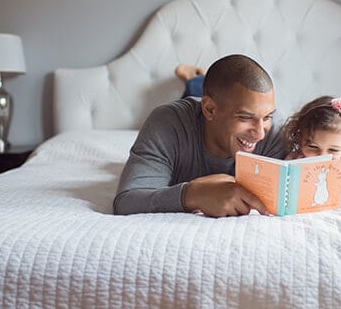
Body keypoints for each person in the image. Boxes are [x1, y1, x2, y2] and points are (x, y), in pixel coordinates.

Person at [113, 54, 287, 217]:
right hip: (196, 113)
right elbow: (126, 202)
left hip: (207, 111)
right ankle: (193, 79)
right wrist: (193, 194)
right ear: (209, 109)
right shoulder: (167, 123)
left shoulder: (274, 131)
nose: (260, 133)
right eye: (245, 117)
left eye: (267, 117)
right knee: (194, 93)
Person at [282, 95, 341, 208]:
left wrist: (336, 188)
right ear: (300, 139)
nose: (322, 156)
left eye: (333, 150)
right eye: (313, 147)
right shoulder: (295, 161)